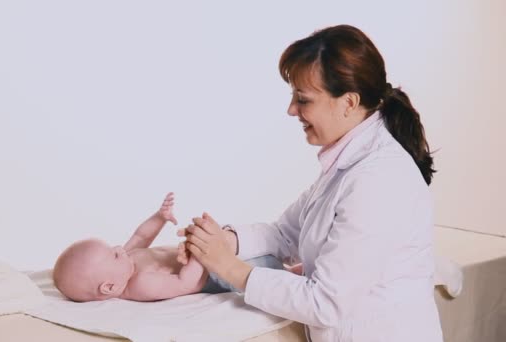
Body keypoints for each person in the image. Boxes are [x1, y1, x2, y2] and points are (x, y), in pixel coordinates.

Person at [179, 24, 443, 342]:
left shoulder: (377, 181)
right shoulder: (347, 163)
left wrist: (228, 266)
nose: (291, 110)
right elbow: (285, 233)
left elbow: (325, 303)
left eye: (303, 100)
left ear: (348, 102)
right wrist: (221, 240)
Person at [52, 192, 286, 302]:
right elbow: (186, 284)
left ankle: (292, 267)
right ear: (109, 286)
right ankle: (292, 272)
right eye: (112, 254)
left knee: (255, 245)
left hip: (211, 258)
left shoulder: (127, 259)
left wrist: (160, 216)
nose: (118, 248)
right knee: (268, 269)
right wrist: (198, 253)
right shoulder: (140, 284)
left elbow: (141, 235)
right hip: (214, 276)